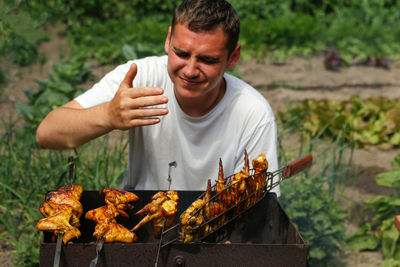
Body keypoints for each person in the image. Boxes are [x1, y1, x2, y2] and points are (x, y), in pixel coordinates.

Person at [36, 0, 279, 195]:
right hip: (143, 216)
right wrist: (107, 115)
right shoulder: (140, 77)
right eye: (181, 53)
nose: (190, 70)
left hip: (217, 227)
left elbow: (261, 205)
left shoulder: (251, 112)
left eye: (207, 60)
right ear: (168, 40)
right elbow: (47, 133)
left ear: (233, 57)